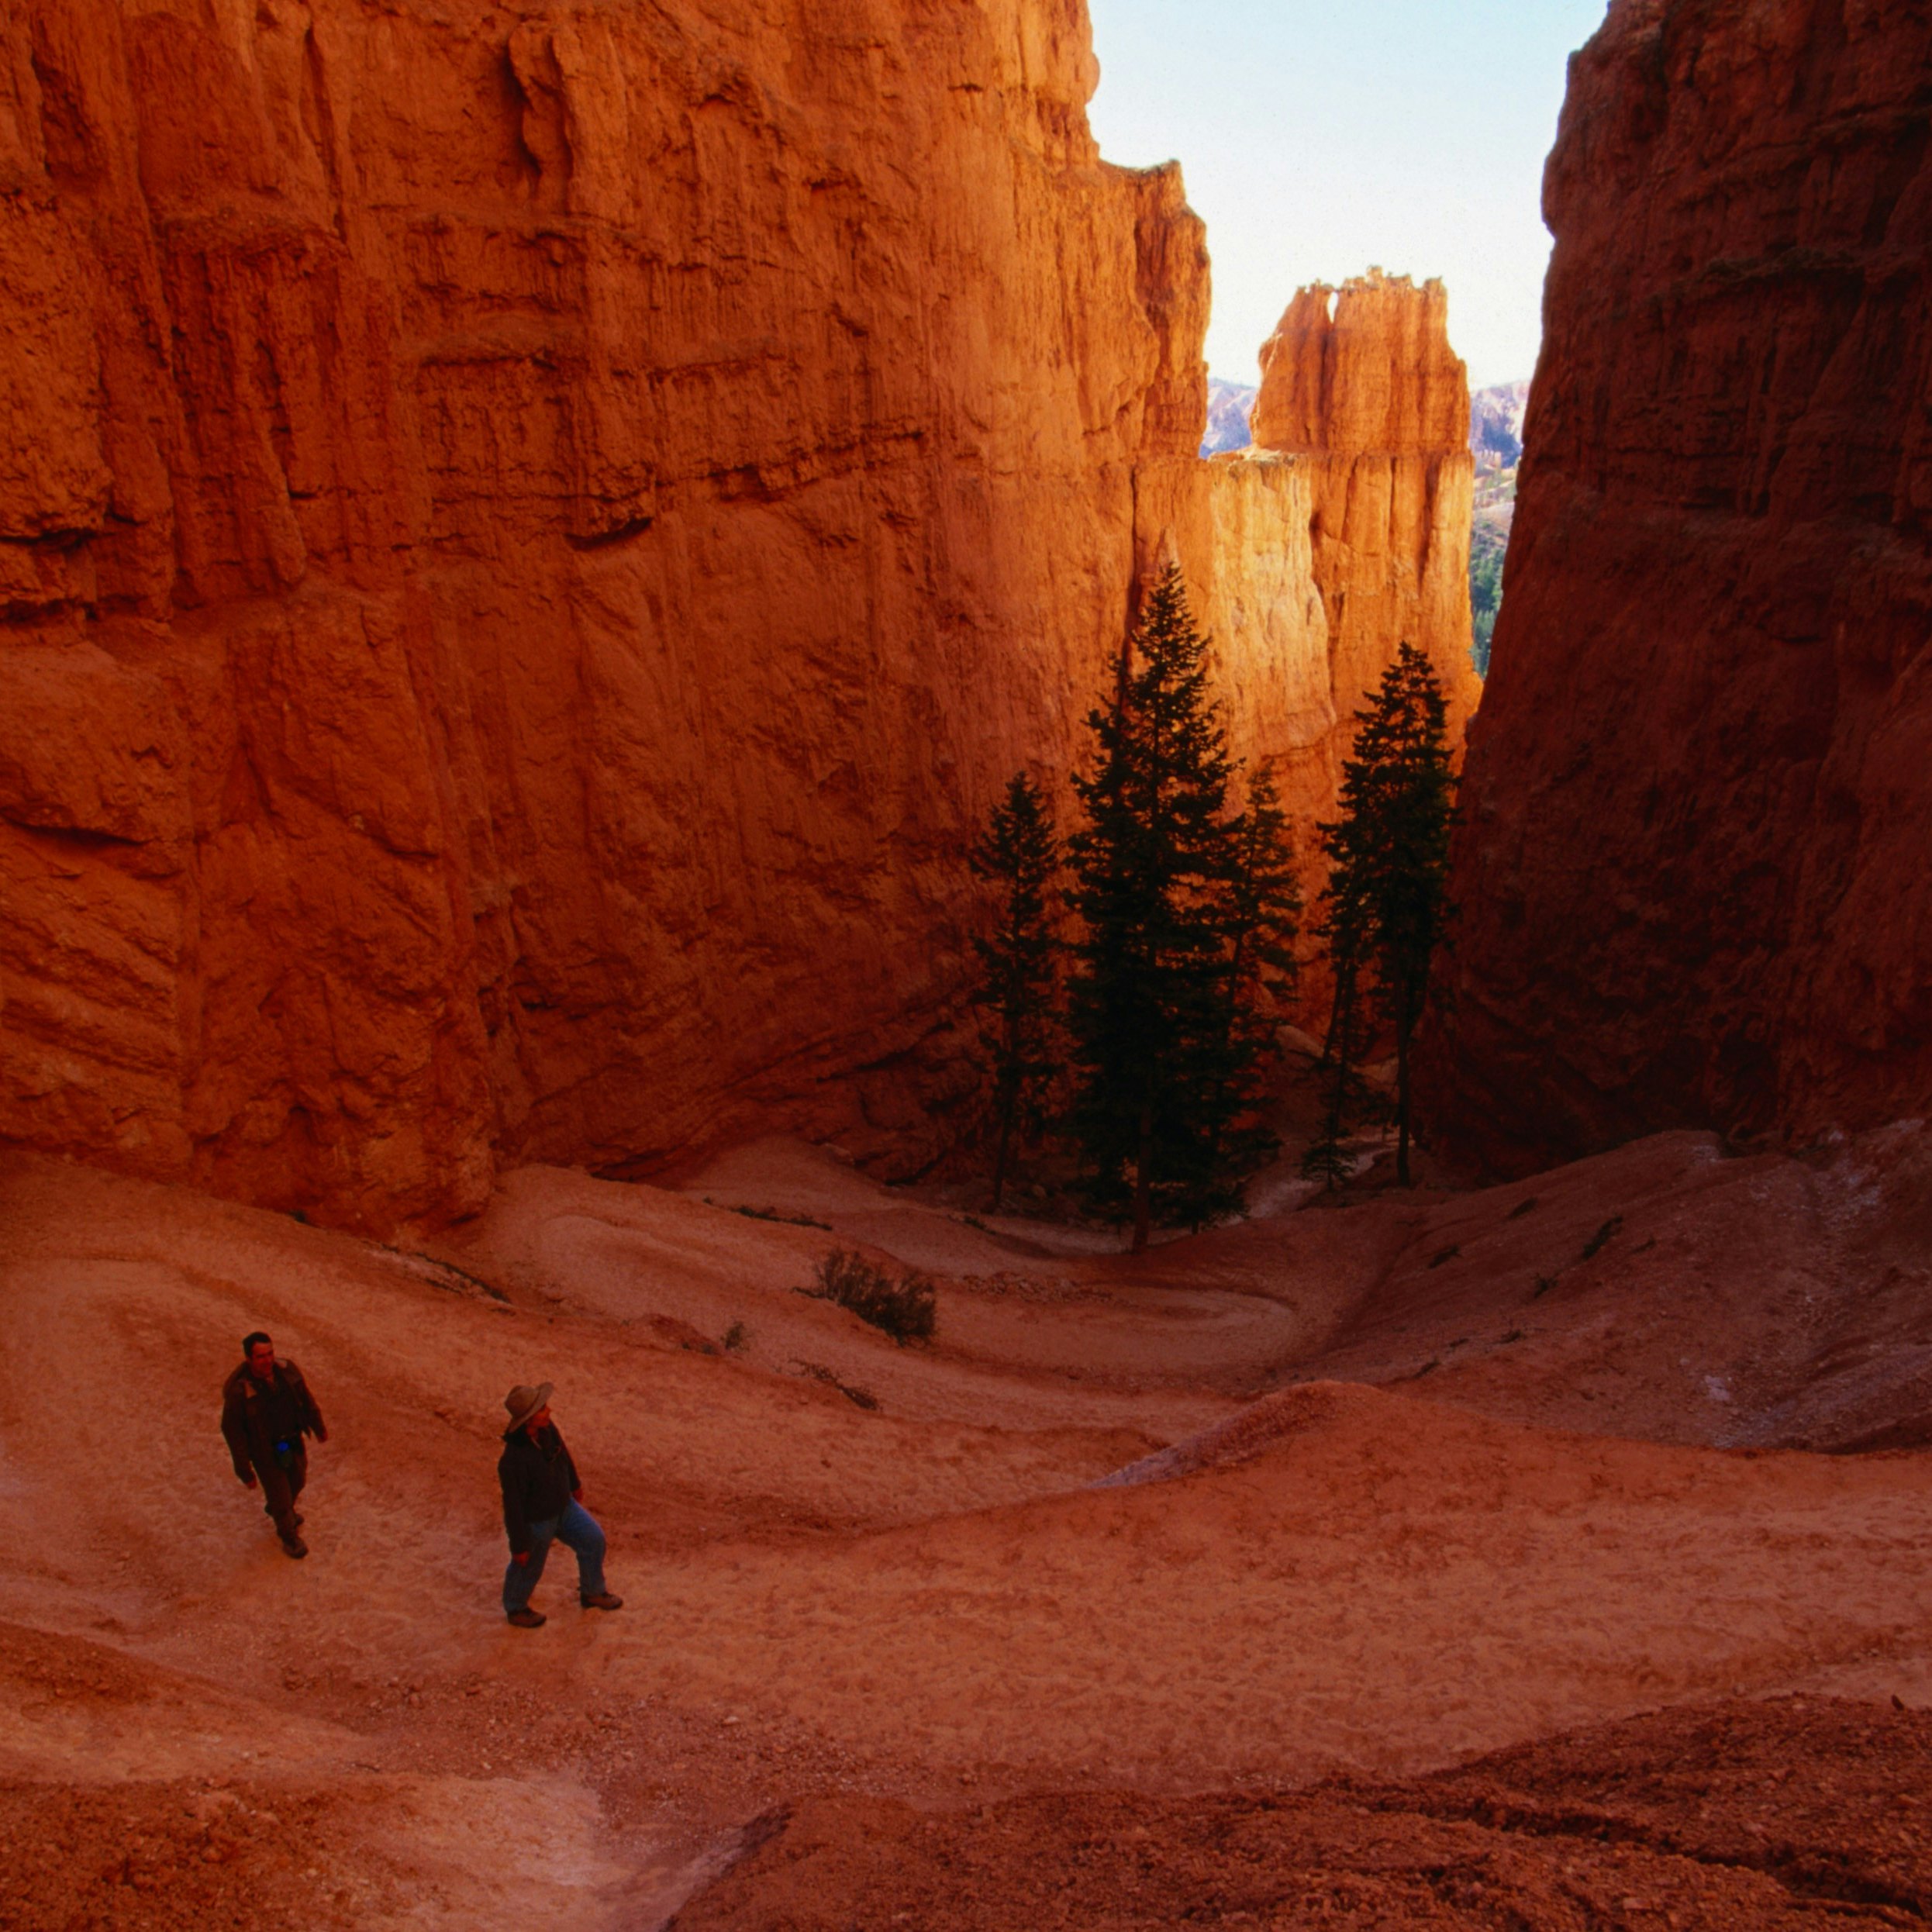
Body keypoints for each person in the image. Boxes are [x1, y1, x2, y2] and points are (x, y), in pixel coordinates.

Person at [498, 1383, 623, 1628]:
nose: (549, 1411)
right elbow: (512, 1506)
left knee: (593, 1539)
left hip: (564, 1507)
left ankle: (592, 1592)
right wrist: (519, 1545)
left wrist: (575, 1484)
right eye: (543, 1409)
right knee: (528, 1566)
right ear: (529, 1419)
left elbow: (563, 1454)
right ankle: (516, 1608)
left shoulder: (547, 1430)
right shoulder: (512, 1461)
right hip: (537, 1521)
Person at [221, 1332, 327, 1559]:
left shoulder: (286, 1372)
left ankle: (283, 1509)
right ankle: (288, 1535)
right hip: (265, 1453)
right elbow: (234, 1434)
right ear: (249, 1359)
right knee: (280, 1494)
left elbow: (305, 1399)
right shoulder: (240, 1393)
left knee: (298, 1480)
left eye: (270, 1354)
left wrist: (318, 1426)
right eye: (261, 1357)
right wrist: (244, 1470)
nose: (268, 1360)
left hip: (291, 1442)